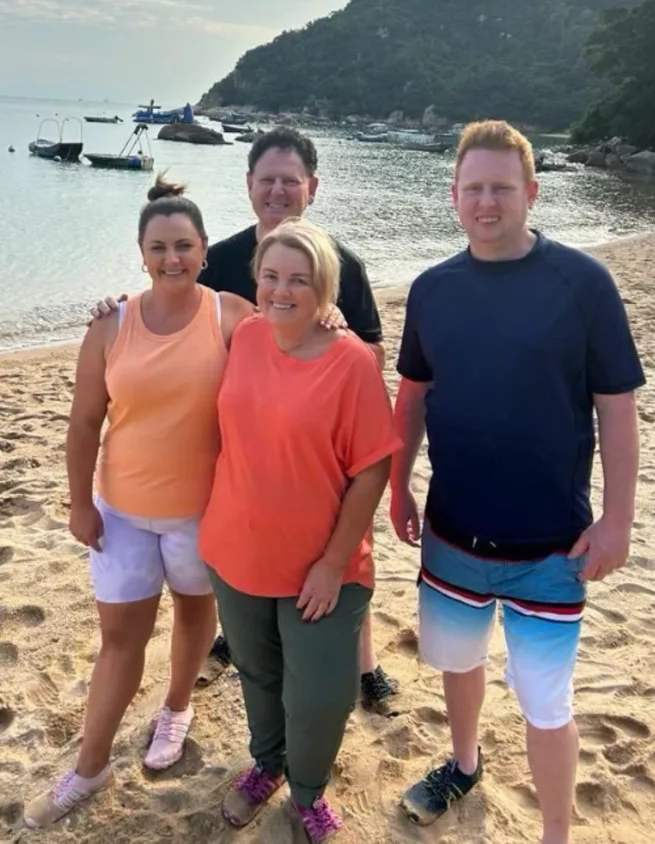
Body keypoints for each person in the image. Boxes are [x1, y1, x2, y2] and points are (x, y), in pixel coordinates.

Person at [390, 120, 644, 844]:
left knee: (544, 702)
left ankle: (555, 832)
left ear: (531, 192)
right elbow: (411, 395)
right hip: (450, 532)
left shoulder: (582, 284)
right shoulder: (432, 289)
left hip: (550, 546)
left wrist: (617, 520)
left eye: (501, 187)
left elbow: (617, 410)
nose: (486, 202)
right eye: (473, 188)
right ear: (452, 196)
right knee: (458, 664)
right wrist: (397, 483)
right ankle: (463, 763)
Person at [93, 126, 399, 714]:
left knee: (342, 550)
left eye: (291, 181)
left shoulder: (340, 267)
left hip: (315, 443)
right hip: (239, 442)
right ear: (249, 186)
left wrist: (329, 335)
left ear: (312, 187)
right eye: (268, 181)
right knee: (244, 549)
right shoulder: (225, 259)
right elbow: (174, 300)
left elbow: (372, 358)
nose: (279, 191)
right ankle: (237, 639)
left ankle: (365, 662)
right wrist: (117, 308)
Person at [25, 178, 254, 829]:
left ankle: (175, 709)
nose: (171, 258)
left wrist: (324, 315)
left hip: (201, 513)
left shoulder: (232, 317)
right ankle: (89, 766)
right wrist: (77, 504)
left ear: (204, 249)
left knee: (192, 615)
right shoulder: (110, 323)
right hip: (120, 510)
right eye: (159, 247)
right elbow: (81, 423)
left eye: (183, 245)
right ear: (141, 251)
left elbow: (293, 354)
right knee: (118, 640)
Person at [200, 217, 402, 842]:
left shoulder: (350, 361)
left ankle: (308, 790)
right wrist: (112, 307)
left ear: (325, 291)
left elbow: (373, 469)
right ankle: (267, 766)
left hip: (323, 563)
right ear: (256, 281)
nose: (282, 290)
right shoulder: (246, 337)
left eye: (299, 280)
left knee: (319, 694)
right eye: (270, 277)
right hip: (235, 548)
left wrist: (334, 562)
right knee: (258, 676)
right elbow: (171, 296)